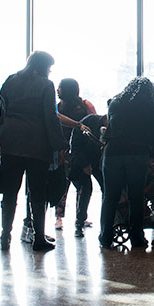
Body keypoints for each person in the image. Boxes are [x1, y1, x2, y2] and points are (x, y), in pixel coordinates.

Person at [0, 51, 66, 254]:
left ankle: (5, 234)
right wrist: (60, 145)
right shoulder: (46, 85)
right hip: (36, 144)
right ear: (44, 66)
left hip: (9, 142)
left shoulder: (11, 80)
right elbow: (50, 117)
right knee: (37, 193)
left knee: (9, 191)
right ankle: (38, 237)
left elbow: (0, 108)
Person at [97, 77, 154, 250]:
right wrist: (153, 150)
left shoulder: (116, 102)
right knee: (136, 198)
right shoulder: (150, 106)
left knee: (110, 197)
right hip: (137, 155)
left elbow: (110, 127)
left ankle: (105, 236)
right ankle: (137, 238)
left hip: (112, 154)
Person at [54, 78, 97, 235]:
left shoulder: (85, 105)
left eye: (60, 88)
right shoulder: (59, 107)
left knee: (82, 187)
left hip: (77, 153)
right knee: (66, 187)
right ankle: (67, 218)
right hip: (65, 152)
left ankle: (77, 218)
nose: (57, 90)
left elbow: (94, 126)